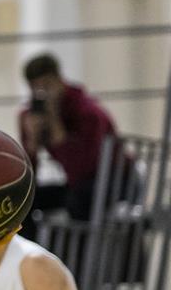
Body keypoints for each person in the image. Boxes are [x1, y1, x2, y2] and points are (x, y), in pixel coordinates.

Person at [19, 52, 117, 220]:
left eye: (47, 85)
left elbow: (81, 170)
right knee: (21, 202)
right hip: (77, 185)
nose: (43, 93)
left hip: (111, 180)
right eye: (36, 88)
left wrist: (55, 124)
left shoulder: (87, 112)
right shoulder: (32, 115)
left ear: (59, 80)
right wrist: (32, 142)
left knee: (78, 200)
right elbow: (29, 176)